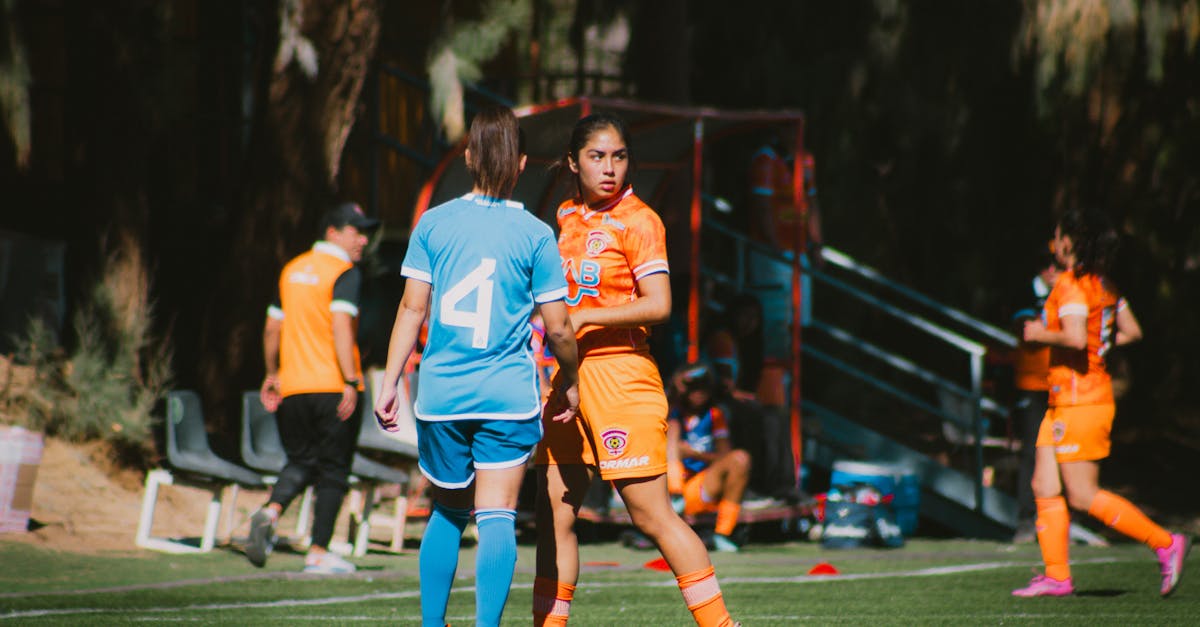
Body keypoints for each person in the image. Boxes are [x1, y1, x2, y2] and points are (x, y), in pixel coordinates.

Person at [372, 106, 580, 627]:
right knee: (497, 517)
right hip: (507, 397)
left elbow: (411, 309)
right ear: (523, 164)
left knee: (447, 509)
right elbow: (558, 328)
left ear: (467, 157)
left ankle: (431, 624)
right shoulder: (535, 234)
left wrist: (390, 381)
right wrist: (570, 378)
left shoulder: (434, 224)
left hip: (442, 394)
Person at [534, 113, 737, 627]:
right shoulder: (565, 216)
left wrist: (586, 316)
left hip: (622, 375)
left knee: (650, 514)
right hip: (568, 378)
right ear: (573, 162)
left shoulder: (641, 220)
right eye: (597, 157)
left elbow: (660, 303)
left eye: (618, 156)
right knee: (554, 515)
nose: (609, 168)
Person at [1012, 208, 1189, 598]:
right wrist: (1100, 347)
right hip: (1065, 398)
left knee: (1081, 494)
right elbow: (1132, 331)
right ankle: (1057, 576)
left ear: (1069, 242)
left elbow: (1075, 338)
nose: (1051, 242)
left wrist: (1041, 333)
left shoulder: (1074, 287)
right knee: (1044, 483)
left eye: (1056, 235)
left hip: (1081, 401)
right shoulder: (1103, 284)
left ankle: (1166, 543)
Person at [247, 201, 379, 574]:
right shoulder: (343, 271)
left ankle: (270, 512)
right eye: (357, 231)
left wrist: (272, 373)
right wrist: (352, 379)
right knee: (334, 470)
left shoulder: (292, 269)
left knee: (302, 460)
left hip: (293, 387)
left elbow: (272, 328)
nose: (364, 240)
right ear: (333, 232)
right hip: (334, 386)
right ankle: (319, 552)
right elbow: (340, 326)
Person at [746, 132, 823, 406]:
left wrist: (816, 244)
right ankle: (773, 392)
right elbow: (762, 205)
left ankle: (792, 389)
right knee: (774, 321)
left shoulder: (806, 160)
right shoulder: (766, 158)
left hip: (798, 252)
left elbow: (811, 203)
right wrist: (776, 247)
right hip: (773, 254)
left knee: (797, 321)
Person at [667, 362, 752, 553]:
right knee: (672, 436)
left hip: (701, 486)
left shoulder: (714, 415)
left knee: (741, 458)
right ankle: (675, 495)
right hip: (665, 489)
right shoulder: (671, 411)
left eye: (703, 388)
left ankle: (723, 532)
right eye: (693, 388)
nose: (699, 393)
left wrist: (696, 455)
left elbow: (725, 457)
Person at [1009, 249, 1062, 543]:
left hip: (1063, 385)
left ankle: (1060, 518)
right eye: (1052, 266)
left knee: (1065, 454)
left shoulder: (1067, 294)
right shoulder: (1024, 294)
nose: (1056, 272)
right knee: (1032, 452)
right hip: (1032, 384)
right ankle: (1026, 520)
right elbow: (1027, 333)